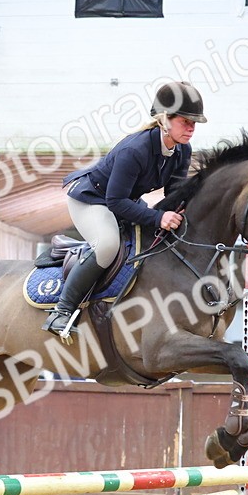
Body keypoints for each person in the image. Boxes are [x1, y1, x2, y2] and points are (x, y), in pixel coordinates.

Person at [42, 81, 208, 338]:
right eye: (185, 121)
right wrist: (158, 216)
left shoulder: (182, 150)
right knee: (108, 244)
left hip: (122, 201)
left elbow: (174, 192)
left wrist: (184, 210)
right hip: (91, 200)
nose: (191, 128)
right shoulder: (136, 149)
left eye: (194, 123)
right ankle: (61, 310)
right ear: (165, 119)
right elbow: (115, 201)